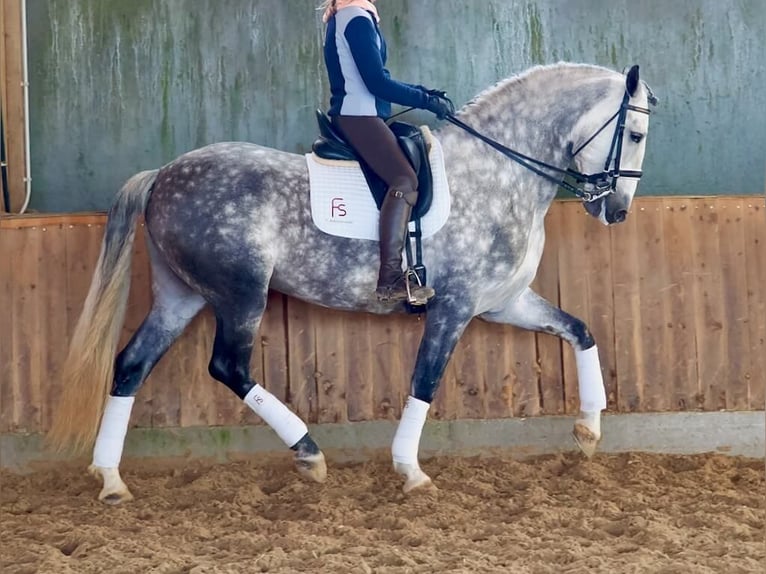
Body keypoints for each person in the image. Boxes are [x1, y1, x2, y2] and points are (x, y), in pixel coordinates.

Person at [320, 0, 453, 305]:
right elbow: (376, 82)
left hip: (364, 113)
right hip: (358, 115)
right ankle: (390, 279)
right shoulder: (355, 18)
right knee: (404, 181)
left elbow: (381, 76)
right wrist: (425, 101)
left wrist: (425, 92)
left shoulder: (355, 15)